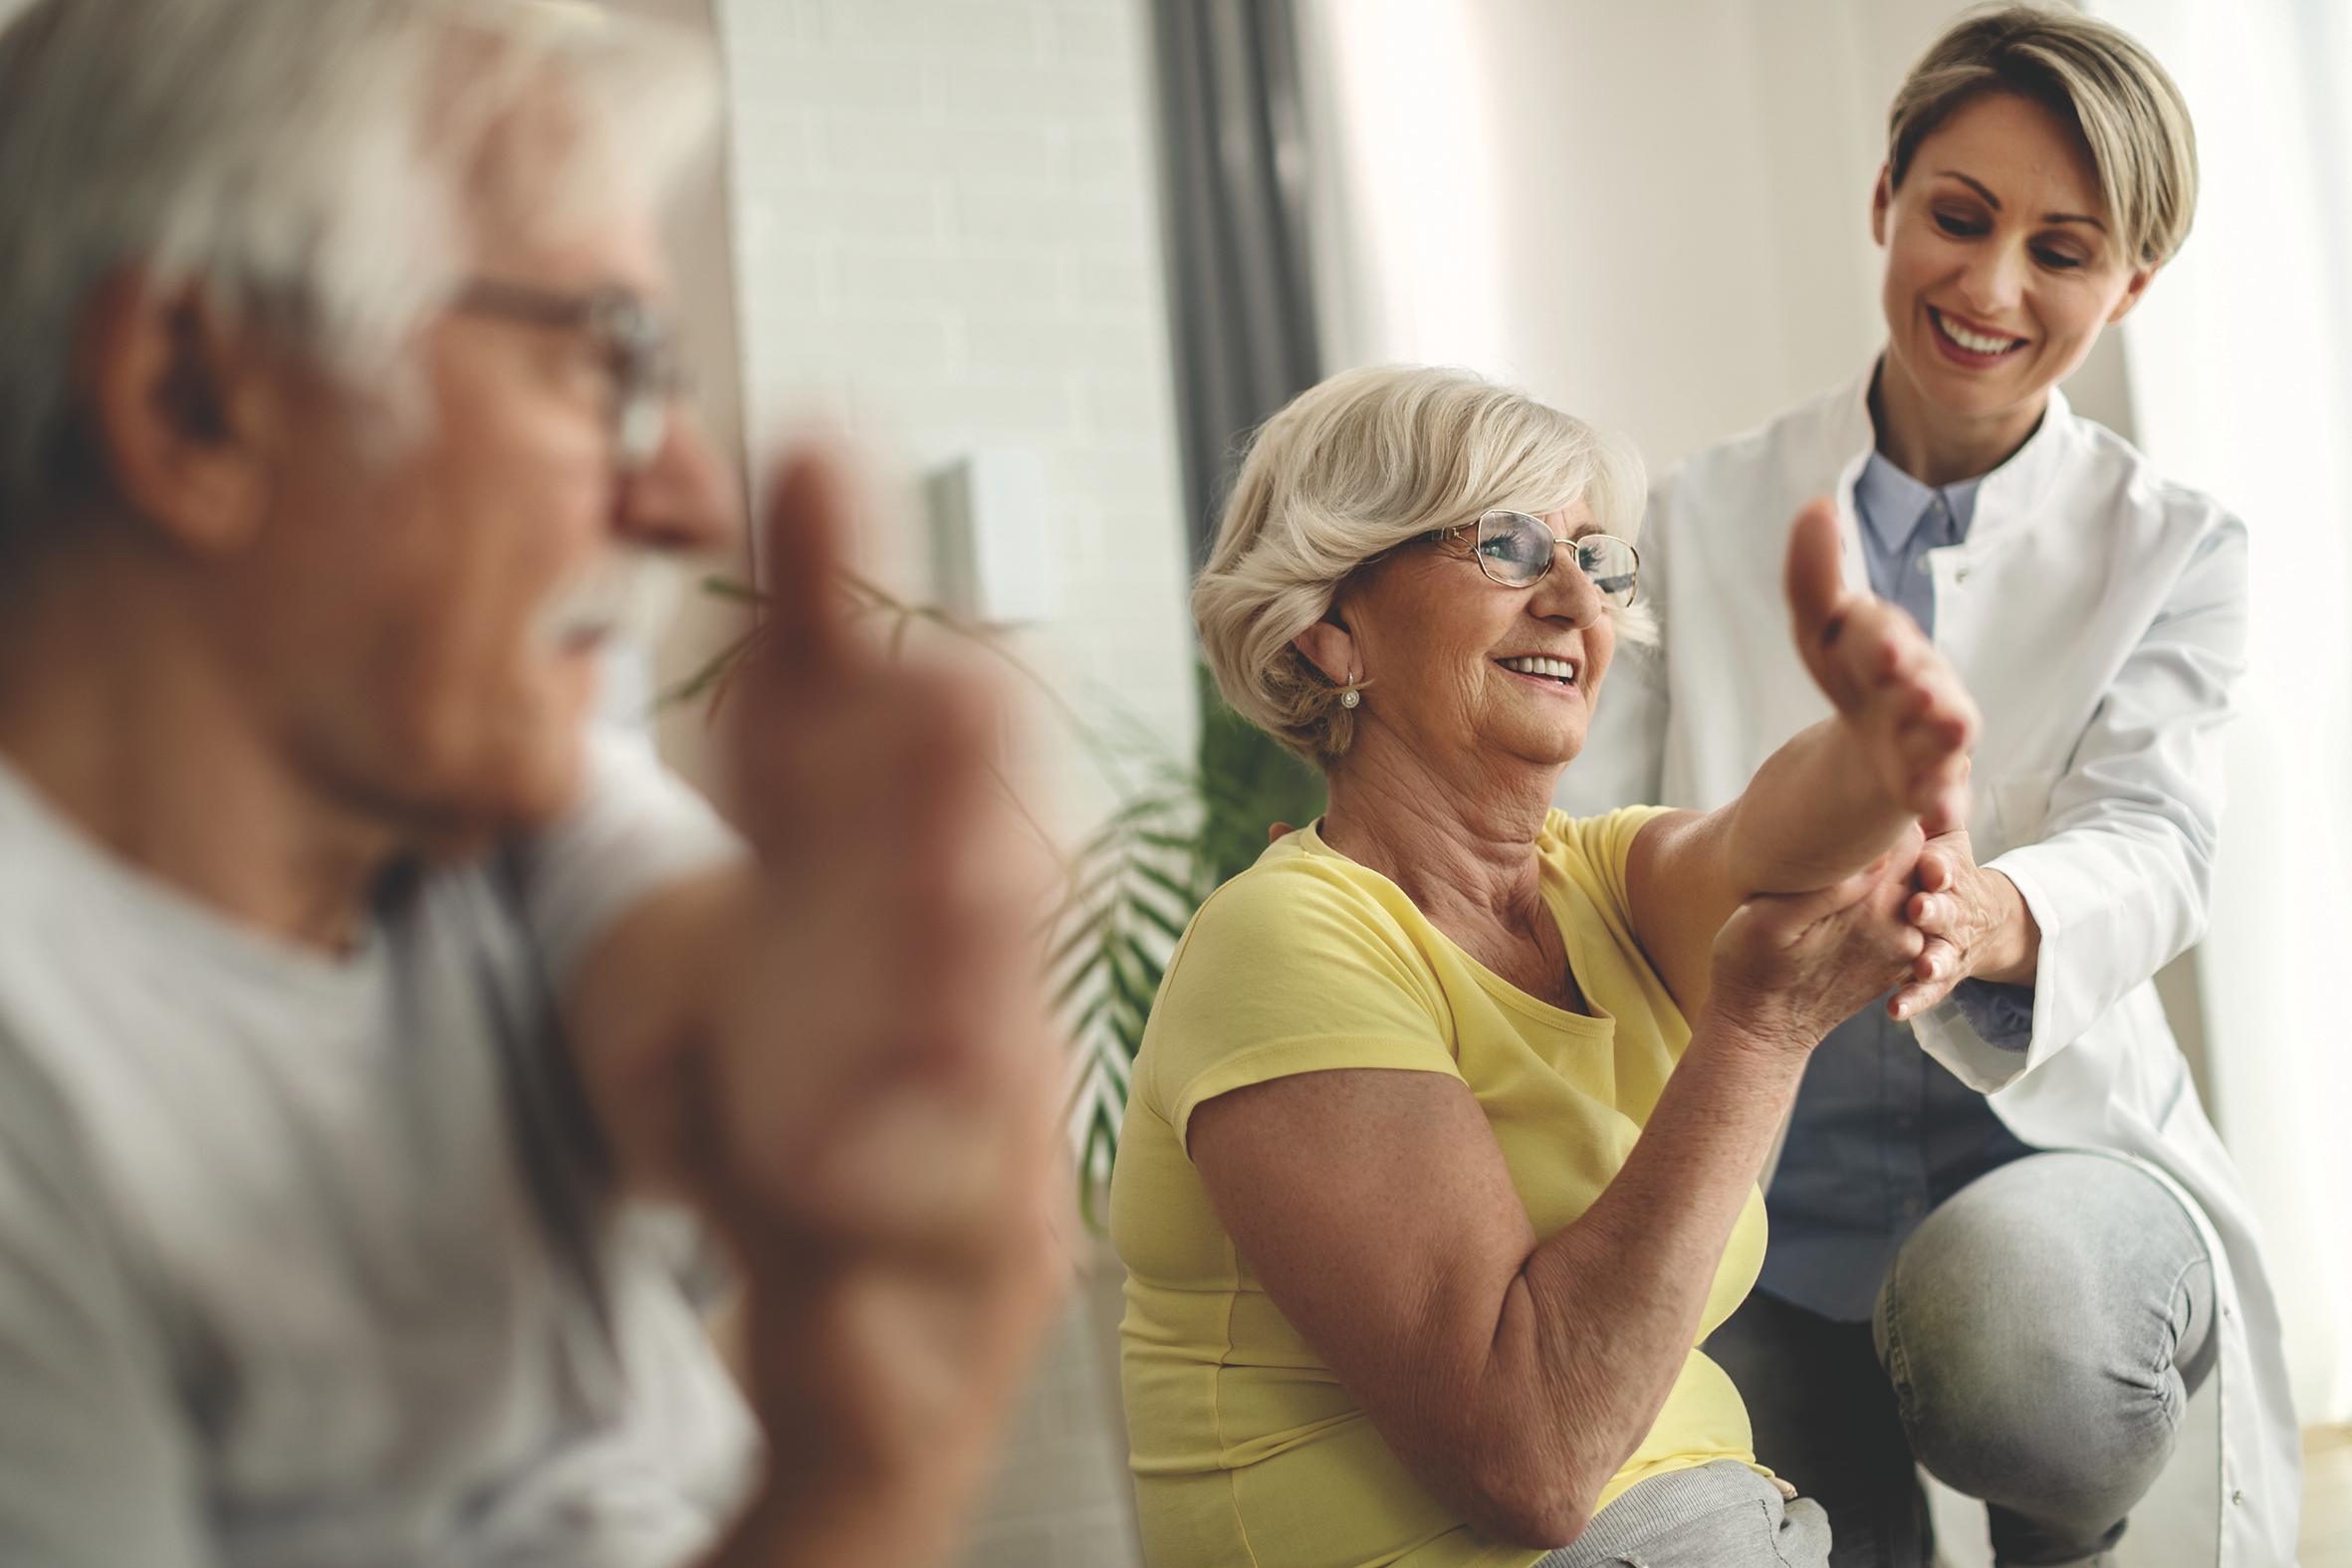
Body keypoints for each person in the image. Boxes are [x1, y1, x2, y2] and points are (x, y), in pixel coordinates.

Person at [0, 2, 1065, 1565]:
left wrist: (865, 1048)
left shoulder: (465, 802)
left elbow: (715, 1013)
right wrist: (864, 1471)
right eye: (604, 360)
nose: (689, 493)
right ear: (195, 397)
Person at [1555, 8, 2298, 1566]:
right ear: (1882, 196)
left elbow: (2158, 841)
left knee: (2016, 1360)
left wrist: (1995, 907)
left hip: (2052, 1162)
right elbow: (1593, 840)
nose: (1989, 285)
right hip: (1762, 1201)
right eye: (1957, 216)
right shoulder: (1705, 509)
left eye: (2062, 248)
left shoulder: (2175, 546)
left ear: (2130, 286)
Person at [1110, 363, 1987, 1568]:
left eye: (1601, 561)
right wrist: (1760, 1032)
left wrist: (1878, 749)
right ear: (1332, 626)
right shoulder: (1289, 940)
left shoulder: (1604, 880)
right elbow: (1532, 1461)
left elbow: (1768, 841)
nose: (1578, 597)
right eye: (1512, 547)